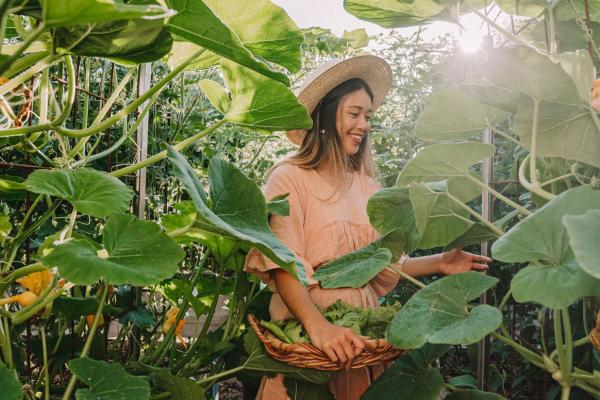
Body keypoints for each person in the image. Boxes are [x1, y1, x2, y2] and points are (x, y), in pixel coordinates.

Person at [244, 55, 492, 400]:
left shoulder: (369, 188)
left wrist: (438, 263)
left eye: (369, 116)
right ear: (327, 115)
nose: (364, 125)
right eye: (355, 113)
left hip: (359, 340)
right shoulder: (289, 177)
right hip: (306, 334)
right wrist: (320, 328)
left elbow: (377, 264)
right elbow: (283, 265)